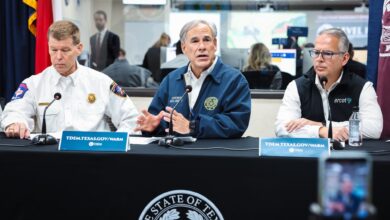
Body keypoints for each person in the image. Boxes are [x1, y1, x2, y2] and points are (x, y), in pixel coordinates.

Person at [1, 20, 139, 139]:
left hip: (95, 156)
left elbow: (131, 118)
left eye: (65, 50)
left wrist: (115, 145)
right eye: (54, 50)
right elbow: (14, 112)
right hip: (50, 158)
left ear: (79, 48)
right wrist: (16, 123)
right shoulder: (33, 84)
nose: (59, 56)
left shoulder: (101, 82)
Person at [135, 20, 251, 138]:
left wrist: (192, 126)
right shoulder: (171, 80)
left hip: (214, 154)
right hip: (176, 153)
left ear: (215, 44)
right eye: (195, 41)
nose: (202, 47)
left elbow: (237, 123)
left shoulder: (235, 80)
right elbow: (158, 118)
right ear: (184, 47)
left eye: (206, 40)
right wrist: (154, 127)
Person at [275, 28, 383, 140]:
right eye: (316, 52)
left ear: (344, 58)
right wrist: (320, 131)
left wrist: (321, 125)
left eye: (327, 53)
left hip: (348, 155)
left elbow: (373, 128)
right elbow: (282, 128)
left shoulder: (363, 87)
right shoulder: (296, 86)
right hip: (310, 156)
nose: (319, 59)